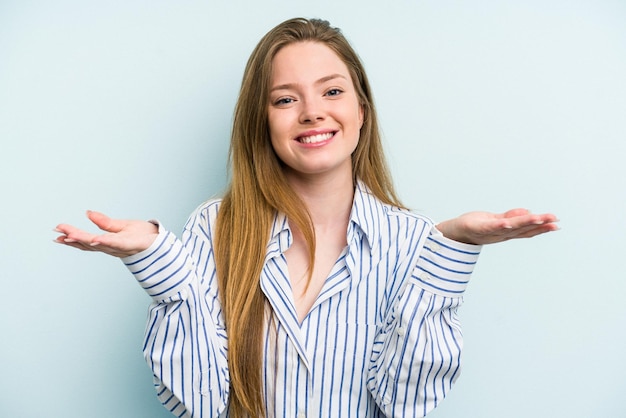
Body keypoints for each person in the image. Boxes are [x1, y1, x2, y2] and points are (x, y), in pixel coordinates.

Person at [54, 17, 558, 418]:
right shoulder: (216, 228)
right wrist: (160, 263)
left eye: (332, 91)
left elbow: (406, 403)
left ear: (362, 109)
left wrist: (451, 247)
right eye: (285, 99)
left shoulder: (413, 242)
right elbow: (201, 403)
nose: (312, 112)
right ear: (263, 121)